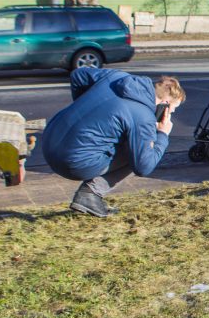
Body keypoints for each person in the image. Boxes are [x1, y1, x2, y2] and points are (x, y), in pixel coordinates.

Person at [42, 69, 185, 217]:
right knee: (138, 154)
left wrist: (84, 114)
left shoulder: (117, 77)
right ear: (165, 105)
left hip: (49, 141)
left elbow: (78, 75)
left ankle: (89, 195)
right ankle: (90, 194)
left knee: (125, 139)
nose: (172, 114)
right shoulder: (144, 117)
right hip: (70, 162)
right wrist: (162, 134)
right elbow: (144, 167)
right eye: (173, 109)